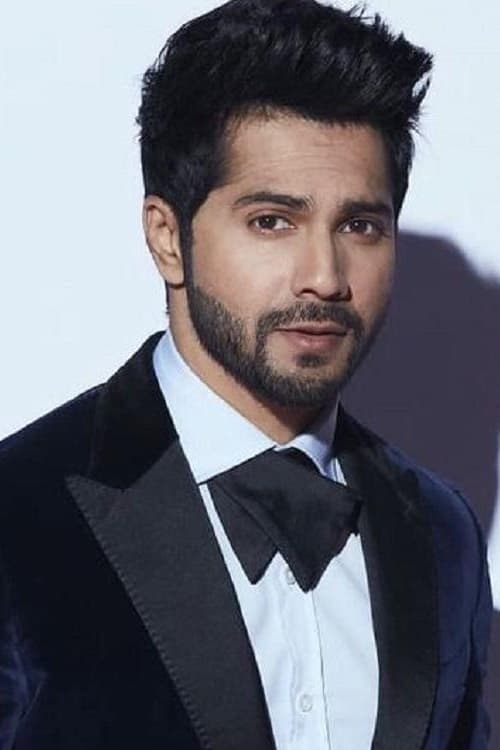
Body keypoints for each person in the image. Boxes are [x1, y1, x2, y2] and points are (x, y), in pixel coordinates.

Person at [0, 0, 492, 748]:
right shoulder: (18, 513)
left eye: (360, 226)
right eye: (272, 221)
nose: (326, 276)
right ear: (168, 239)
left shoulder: (440, 531)